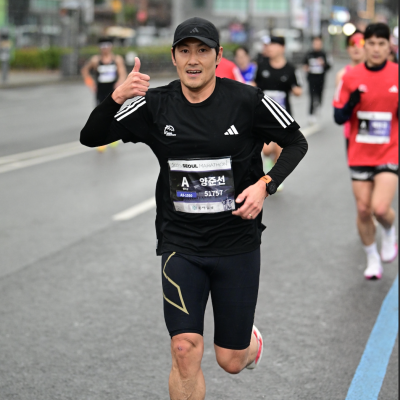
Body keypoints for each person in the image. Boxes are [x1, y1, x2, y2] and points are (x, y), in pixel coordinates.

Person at [80, 17, 308, 399]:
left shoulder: (247, 101)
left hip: (236, 244)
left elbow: (296, 142)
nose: (193, 59)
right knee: (184, 348)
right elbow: (91, 137)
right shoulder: (155, 105)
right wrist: (117, 96)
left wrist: (265, 185)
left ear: (218, 56)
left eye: (203, 50)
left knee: (230, 360)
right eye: (184, 50)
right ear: (173, 57)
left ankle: (248, 345)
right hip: (180, 244)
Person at [333, 22, 398, 280]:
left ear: (389, 46)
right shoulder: (350, 77)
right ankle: (372, 257)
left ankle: (389, 231)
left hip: (389, 151)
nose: (376, 49)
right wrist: (352, 102)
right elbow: (338, 117)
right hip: (360, 152)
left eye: (381, 43)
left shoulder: (397, 74)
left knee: (379, 209)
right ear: (365, 46)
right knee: (363, 209)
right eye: (371, 43)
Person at [255, 36, 303, 187]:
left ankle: (274, 179)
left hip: (282, 116)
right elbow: (254, 85)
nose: (270, 48)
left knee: (280, 150)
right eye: (269, 45)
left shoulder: (290, 68)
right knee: (266, 150)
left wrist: (294, 88)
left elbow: (298, 90)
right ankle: (269, 161)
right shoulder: (262, 66)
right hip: (263, 116)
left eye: (274, 45)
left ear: (282, 48)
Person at [81, 37, 127, 151]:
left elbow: (122, 73)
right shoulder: (96, 60)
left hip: (113, 91)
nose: (105, 49)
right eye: (102, 46)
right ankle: (101, 141)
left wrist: (119, 83)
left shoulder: (117, 59)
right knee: (100, 115)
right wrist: (90, 83)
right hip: (100, 91)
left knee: (113, 114)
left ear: (111, 46)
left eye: (107, 46)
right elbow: (85, 71)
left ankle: (113, 137)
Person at [334, 30, 365, 150]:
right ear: (347, 48)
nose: (356, 47)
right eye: (352, 43)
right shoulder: (342, 75)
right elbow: (339, 109)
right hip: (351, 132)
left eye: (360, 43)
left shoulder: (375, 72)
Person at [303, 36, 331, 124]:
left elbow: (329, 66)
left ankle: (318, 107)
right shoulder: (309, 54)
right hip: (311, 79)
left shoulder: (324, 54)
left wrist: (323, 64)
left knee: (319, 95)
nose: (317, 45)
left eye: (319, 43)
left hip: (321, 79)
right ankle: (311, 114)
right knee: (312, 96)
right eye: (315, 43)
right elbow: (304, 65)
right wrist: (306, 68)